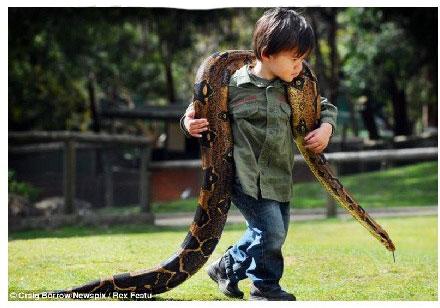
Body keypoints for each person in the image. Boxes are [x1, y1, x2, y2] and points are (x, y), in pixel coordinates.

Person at [179, 7, 338, 301]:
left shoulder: (293, 89)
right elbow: (195, 112)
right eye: (294, 58)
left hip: (279, 175)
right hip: (245, 176)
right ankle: (264, 289)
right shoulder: (231, 86)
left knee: (270, 234)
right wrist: (189, 123)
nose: (300, 66)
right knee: (271, 232)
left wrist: (326, 127)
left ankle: (226, 267)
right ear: (266, 54)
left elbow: (323, 107)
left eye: (303, 59)